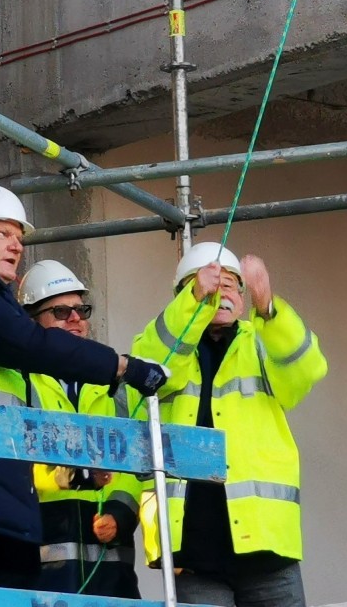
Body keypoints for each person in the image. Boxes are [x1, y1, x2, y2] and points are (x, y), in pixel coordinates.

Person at [0, 184, 168, 587]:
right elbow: (28, 343)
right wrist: (119, 366)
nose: (16, 245)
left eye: (19, 237)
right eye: (2, 233)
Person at [133, 241, 328, 607]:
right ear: (184, 295)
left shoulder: (262, 341)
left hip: (267, 549)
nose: (222, 294)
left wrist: (268, 308)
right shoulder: (168, 344)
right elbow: (147, 364)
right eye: (210, 285)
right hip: (192, 553)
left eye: (231, 286)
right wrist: (192, 303)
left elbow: (308, 368)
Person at [17, 260, 143, 598]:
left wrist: (121, 511)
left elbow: (133, 462)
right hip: (41, 558)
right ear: (32, 322)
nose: (76, 319)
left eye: (81, 309)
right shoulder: (20, 383)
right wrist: (77, 475)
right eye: (61, 311)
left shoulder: (114, 386)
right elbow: (16, 463)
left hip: (110, 562)